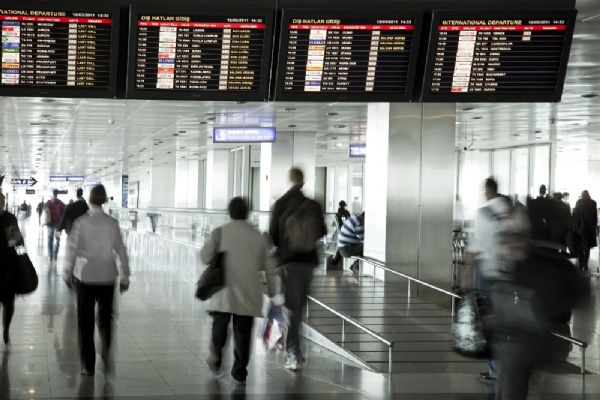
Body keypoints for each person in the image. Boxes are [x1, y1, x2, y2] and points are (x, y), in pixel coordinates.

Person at [200, 197, 279, 384]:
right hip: (248, 293)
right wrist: (273, 292)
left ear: (230, 212)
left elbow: (204, 257)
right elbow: (270, 267)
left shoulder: (220, 233)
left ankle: (216, 359)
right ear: (247, 212)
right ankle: (240, 371)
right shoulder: (258, 236)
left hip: (223, 292)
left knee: (219, 329)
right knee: (243, 333)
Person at [64, 185, 130, 377]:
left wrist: (67, 273)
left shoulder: (81, 222)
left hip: (85, 276)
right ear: (104, 200)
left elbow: (72, 250)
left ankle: (88, 366)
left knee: (85, 322)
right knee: (106, 318)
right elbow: (121, 250)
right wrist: (125, 276)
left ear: (90, 199)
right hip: (107, 276)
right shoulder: (112, 223)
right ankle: (106, 351)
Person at [269, 167, 326, 371]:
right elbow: (322, 231)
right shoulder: (313, 205)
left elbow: (274, 236)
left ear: (290, 180)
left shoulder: (281, 204)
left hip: (288, 263)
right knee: (299, 308)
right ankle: (295, 351)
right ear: (303, 181)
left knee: (291, 309)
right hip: (308, 262)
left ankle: (294, 354)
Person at [463, 177, 512, 384]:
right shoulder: (511, 211)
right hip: (509, 274)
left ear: (487, 190)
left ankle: (495, 371)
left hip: (487, 273)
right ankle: (509, 369)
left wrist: (466, 275)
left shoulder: (483, 213)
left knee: (489, 323)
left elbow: (475, 246)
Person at [0, 193, 22, 346]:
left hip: (7, 267)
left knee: (8, 302)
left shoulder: (10, 218)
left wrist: (14, 239)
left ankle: (6, 329)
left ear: (3, 203)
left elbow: (17, 236)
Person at [572, 190, 598, 271]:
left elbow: (576, 215)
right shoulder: (593, 203)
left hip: (580, 228)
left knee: (580, 246)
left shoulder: (579, 202)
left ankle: (581, 263)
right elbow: (595, 216)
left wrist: (575, 227)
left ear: (582, 195)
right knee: (587, 247)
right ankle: (585, 263)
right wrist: (594, 226)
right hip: (589, 229)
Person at [329, 201, 351, 266]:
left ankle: (336, 260)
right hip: (345, 231)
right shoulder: (346, 213)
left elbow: (333, 224)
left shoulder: (337, 213)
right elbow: (349, 221)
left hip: (338, 231)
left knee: (339, 245)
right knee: (341, 245)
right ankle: (336, 260)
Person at [46, 190, 66, 261]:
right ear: (57, 194)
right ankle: (55, 254)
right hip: (58, 223)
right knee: (57, 239)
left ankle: (50, 256)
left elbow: (44, 210)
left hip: (50, 223)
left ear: (52, 193)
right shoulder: (60, 202)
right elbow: (65, 210)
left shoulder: (48, 202)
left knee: (50, 239)